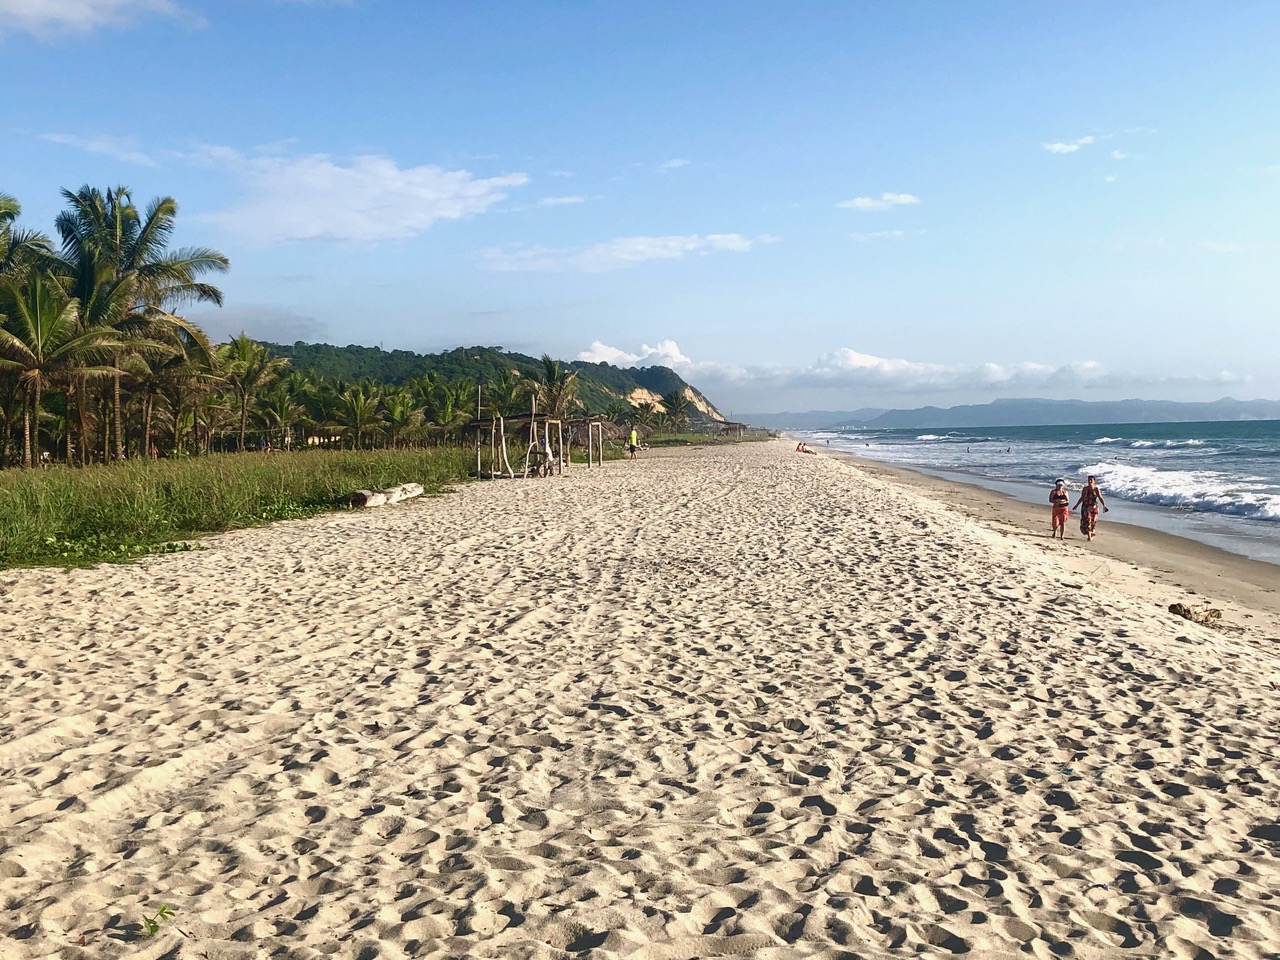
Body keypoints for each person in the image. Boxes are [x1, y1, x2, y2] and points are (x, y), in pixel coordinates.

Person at [1073, 475, 1109, 540]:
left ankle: (1091, 533)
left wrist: (1104, 505)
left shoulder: (1096, 489)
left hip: (1094, 507)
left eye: (1091, 480)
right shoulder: (1085, 489)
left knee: (1093, 521)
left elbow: (1100, 497)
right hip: (1086, 507)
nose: (1089, 481)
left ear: (1094, 481)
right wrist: (1077, 505)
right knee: (1088, 520)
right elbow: (1082, 498)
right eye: (1088, 480)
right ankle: (1089, 537)